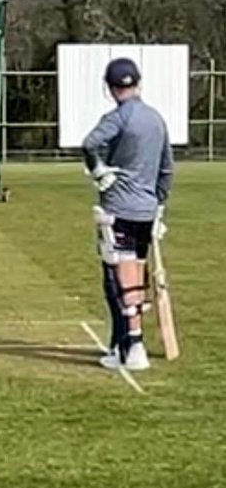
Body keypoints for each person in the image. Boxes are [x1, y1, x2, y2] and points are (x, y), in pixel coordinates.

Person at [82, 56, 173, 373]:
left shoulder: (119, 117)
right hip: (146, 212)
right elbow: (166, 170)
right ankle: (121, 345)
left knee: (119, 279)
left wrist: (98, 169)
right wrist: (159, 207)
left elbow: (90, 143)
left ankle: (133, 345)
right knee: (134, 272)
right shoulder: (156, 119)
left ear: (109, 87)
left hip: (118, 208)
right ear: (138, 83)